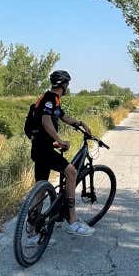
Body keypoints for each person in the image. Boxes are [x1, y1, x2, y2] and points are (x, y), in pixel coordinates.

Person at [30, 69, 95, 236]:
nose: (67, 87)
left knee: (40, 188)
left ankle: (32, 232)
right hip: (44, 149)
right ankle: (73, 221)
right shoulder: (51, 98)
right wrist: (59, 140)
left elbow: (63, 117)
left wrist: (81, 123)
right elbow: (46, 121)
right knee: (72, 172)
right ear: (64, 85)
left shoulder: (51, 99)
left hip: (38, 147)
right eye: (67, 84)